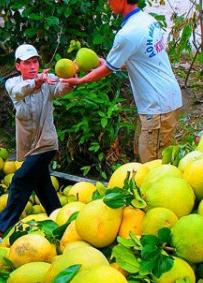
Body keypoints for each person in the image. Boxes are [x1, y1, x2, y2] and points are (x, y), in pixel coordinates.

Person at [62, 0, 182, 163]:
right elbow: (140, 59)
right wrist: (108, 63)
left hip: (158, 106)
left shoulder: (128, 33)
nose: (108, 2)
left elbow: (108, 69)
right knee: (146, 157)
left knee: (153, 164)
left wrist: (79, 81)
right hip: (163, 101)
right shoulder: (148, 21)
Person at [0, 44, 74, 240]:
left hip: (46, 143)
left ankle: (1, 226)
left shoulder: (48, 81)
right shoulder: (13, 84)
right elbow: (18, 92)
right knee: (42, 184)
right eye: (27, 63)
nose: (33, 67)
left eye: (35, 62)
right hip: (28, 146)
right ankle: (59, 218)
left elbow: (62, 89)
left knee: (21, 179)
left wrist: (73, 76)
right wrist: (37, 82)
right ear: (18, 66)